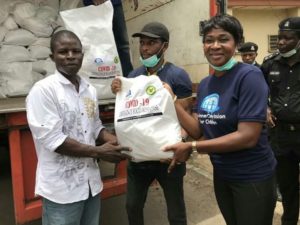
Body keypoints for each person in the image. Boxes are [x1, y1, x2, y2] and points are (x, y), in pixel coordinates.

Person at [164, 15, 277, 225]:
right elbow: (198, 129)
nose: (215, 46)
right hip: (222, 175)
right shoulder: (206, 83)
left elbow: (248, 136)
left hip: (252, 177)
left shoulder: (249, 76)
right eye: (209, 40)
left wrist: (193, 147)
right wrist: (170, 101)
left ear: (237, 43)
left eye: (223, 39)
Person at [26, 30, 131, 225]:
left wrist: (113, 140)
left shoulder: (89, 90)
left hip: (90, 183)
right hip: (62, 190)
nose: (70, 56)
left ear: (83, 55)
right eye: (63, 52)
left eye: (75, 51)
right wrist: (99, 152)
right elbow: (54, 140)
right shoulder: (43, 91)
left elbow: (95, 127)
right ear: (52, 56)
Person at [111, 22, 193, 225]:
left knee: (176, 212)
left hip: (168, 159)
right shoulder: (132, 77)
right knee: (132, 207)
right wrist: (119, 91)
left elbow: (186, 118)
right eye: (142, 43)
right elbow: (129, 116)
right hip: (138, 161)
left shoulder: (177, 76)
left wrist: (180, 144)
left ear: (164, 46)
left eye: (151, 43)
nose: (145, 48)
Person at [261, 17, 300, 225]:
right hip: (281, 136)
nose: (282, 42)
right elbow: (257, 90)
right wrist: (265, 107)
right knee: (287, 187)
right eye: (279, 38)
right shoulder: (270, 63)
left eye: (288, 38)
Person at [83, 0, 138, 77]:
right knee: (101, 47)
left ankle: (128, 79)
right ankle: (108, 81)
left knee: (123, 45)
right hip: (94, 6)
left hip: (115, 3)